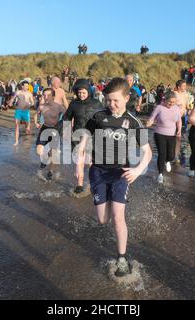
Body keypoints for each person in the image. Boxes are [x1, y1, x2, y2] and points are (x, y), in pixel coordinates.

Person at [76, 78, 152, 277]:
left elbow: (148, 152)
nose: (112, 104)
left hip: (121, 173)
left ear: (127, 98)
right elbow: (84, 139)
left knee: (118, 218)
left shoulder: (134, 122)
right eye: (108, 100)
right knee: (103, 220)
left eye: (116, 100)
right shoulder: (98, 116)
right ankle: (108, 205)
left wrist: (137, 170)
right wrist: (79, 165)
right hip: (98, 172)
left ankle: (122, 258)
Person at [63, 78, 103, 194]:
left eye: (84, 92)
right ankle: (79, 185)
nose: (81, 95)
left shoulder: (97, 103)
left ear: (89, 92)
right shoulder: (74, 104)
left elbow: (103, 118)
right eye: (79, 92)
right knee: (78, 161)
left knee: (90, 162)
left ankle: (92, 184)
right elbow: (67, 118)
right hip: (77, 135)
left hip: (92, 136)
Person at [146, 92, 182, 184]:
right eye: (170, 102)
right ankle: (160, 174)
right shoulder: (159, 108)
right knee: (162, 153)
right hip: (159, 134)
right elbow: (152, 118)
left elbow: (179, 121)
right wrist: (149, 123)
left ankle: (168, 161)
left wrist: (179, 130)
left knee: (171, 155)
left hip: (171, 134)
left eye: (173, 102)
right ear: (165, 100)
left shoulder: (177, 108)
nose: (171, 104)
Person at [34, 88, 66, 181]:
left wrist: (65, 130)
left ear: (53, 96)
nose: (46, 97)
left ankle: (51, 171)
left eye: (48, 95)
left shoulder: (59, 106)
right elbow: (36, 115)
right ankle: (44, 162)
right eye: (44, 95)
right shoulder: (41, 106)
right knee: (39, 151)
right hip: (44, 129)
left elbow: (68, 116)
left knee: (53, 153)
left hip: (55, 130)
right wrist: (36, 123)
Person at [14, 80, 35, 146]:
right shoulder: (18, 92)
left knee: (27, 128)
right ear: (22, 86)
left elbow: (33, 102)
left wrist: (29, 103)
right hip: (18, 111)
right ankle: (16, 141)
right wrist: (11, 101)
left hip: (26, 112)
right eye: (25, 86)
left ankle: (28, 139)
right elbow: (13, 98)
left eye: (27, 86)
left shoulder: (29, 93)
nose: (27, 87)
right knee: (17, 125)